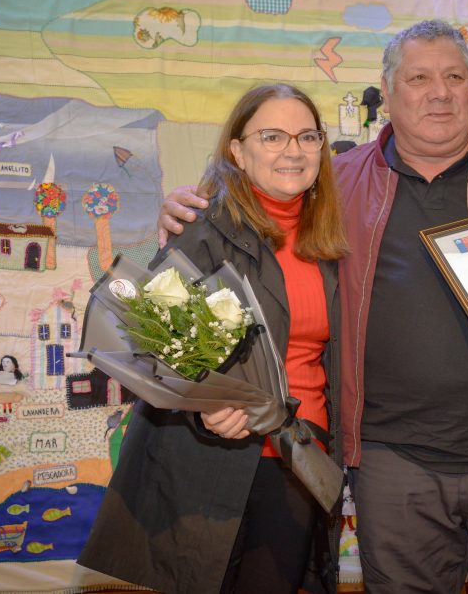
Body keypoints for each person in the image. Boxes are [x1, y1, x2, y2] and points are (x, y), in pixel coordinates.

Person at [160, 21, 468, 593]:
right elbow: (256, 210)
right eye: (419, 78)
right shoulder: (334, 183)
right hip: (390, 465)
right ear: (388, 90)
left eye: (455, 77)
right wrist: (186, 210)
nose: (440, 92)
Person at [79, 84, 347, 594]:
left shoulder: (334, 238)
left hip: (300, 456)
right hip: (208, 462)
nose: (293, 150)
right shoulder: (200, 229)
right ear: (238, 151)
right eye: (272, 136)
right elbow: (151, 345)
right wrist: (203, 406)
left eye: (307, 136)